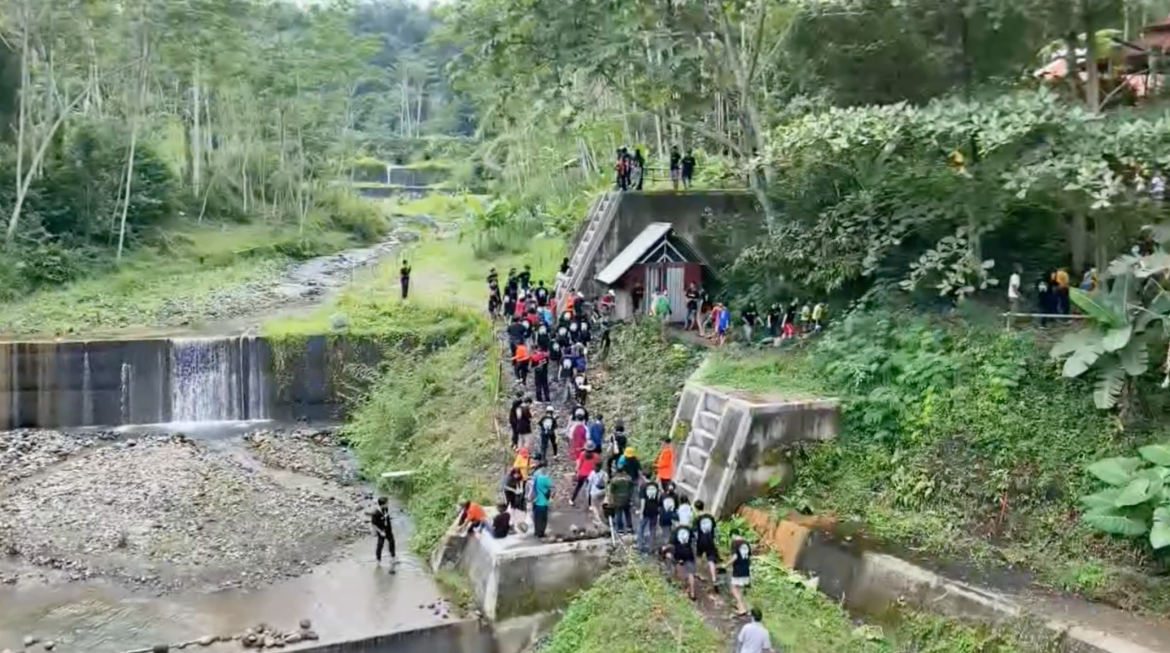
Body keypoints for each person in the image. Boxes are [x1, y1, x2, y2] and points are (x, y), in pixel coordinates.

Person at [668, 517, 697, 599]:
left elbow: (671, 544)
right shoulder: (689, 529)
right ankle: (692, 593)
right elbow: (693, 541)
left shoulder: (675, 530)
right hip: (688, 552)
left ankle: (678, 585)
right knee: (690, 572)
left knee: (677, 567)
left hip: (678, 552)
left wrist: (665, 549)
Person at [694, 501, 720, 586]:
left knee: (699, 556)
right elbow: (715, 530)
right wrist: (716, 540)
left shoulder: (697, 518)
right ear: (703, 506)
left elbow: (695, 532)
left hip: (701, 540)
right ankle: (714, 578)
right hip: (710, 540)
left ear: (696, 508)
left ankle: (699, 574)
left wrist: (695, 541)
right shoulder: (710, 517)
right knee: (711, 559)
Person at [637, 477, 663, 552]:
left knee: (641, 528)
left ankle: (640, 545)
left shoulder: (643, 486)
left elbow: (643, 501)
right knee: (652, 528)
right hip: (654, 509)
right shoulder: (656, 485)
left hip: (646, 510)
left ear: (644, 477)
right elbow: (658, 496)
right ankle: (651, 547)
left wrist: (641, 512)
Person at [571, 442, 601, 506]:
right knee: (590, 489)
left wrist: (576, 472)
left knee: (578, 487)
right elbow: (597, 466)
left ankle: (572, 500)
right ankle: (590, 505)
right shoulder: (596, 456)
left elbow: (579, 464)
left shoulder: (582, 454)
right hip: (590, 475)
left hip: (582, 474)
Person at [729, 534, 753, 616]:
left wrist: (726, 564)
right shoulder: (746, 543)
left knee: (733, 588)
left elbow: (735, 557)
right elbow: (749, 557)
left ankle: (742, 608)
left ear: (732, 536)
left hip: (738, 569)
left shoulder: (735, 543)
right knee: (740, 589)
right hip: (746, 569)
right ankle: (739, 607)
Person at [371, 497, 397, 569]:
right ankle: (378, 561)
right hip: (381, 531)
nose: (388, 504)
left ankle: (393, 558)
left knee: (392, 542)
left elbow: (387, 518)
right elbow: (373, 524)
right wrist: (380, 532)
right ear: (382, 504)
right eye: (387, 503)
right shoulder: (376, 513)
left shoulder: (385, 509)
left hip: (388, 530)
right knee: (380, 545)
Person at [607, 467, 635, 533]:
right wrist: (631, 498)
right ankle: (629, 527)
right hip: (627, 499)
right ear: (623, 471)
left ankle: (620, 529)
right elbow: (631, 489)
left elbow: (611, 492)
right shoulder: (628, 479)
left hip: (617, 499)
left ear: (617, 472)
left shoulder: (614, 480)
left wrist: (611, 500)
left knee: (618, 514)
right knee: (627, 513)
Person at [530, 462, 553, 538]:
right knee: (543, 519)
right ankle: (541, 533)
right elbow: (551, 485)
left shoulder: (536, 477)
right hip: (542, 502)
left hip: (536, 501)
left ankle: (536, 532)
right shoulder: (544, 478)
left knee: (536, 518)